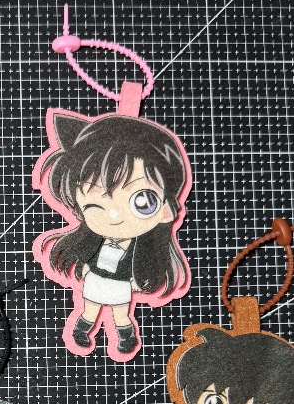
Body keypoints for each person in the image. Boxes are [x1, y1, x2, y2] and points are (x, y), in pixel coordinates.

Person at [34, 111, 191, 355]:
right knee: (90, 309)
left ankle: (126, 338)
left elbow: (138, 265)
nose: (115, 215)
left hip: (121, 284)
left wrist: (136, 280)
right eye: (96, 200)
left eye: (142, 201)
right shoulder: (92, 242)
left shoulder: (141, 250)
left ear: (166, 211)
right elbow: (89, 255)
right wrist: (85, 267)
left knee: (121, 314)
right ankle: (82, 331)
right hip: (96, 279)